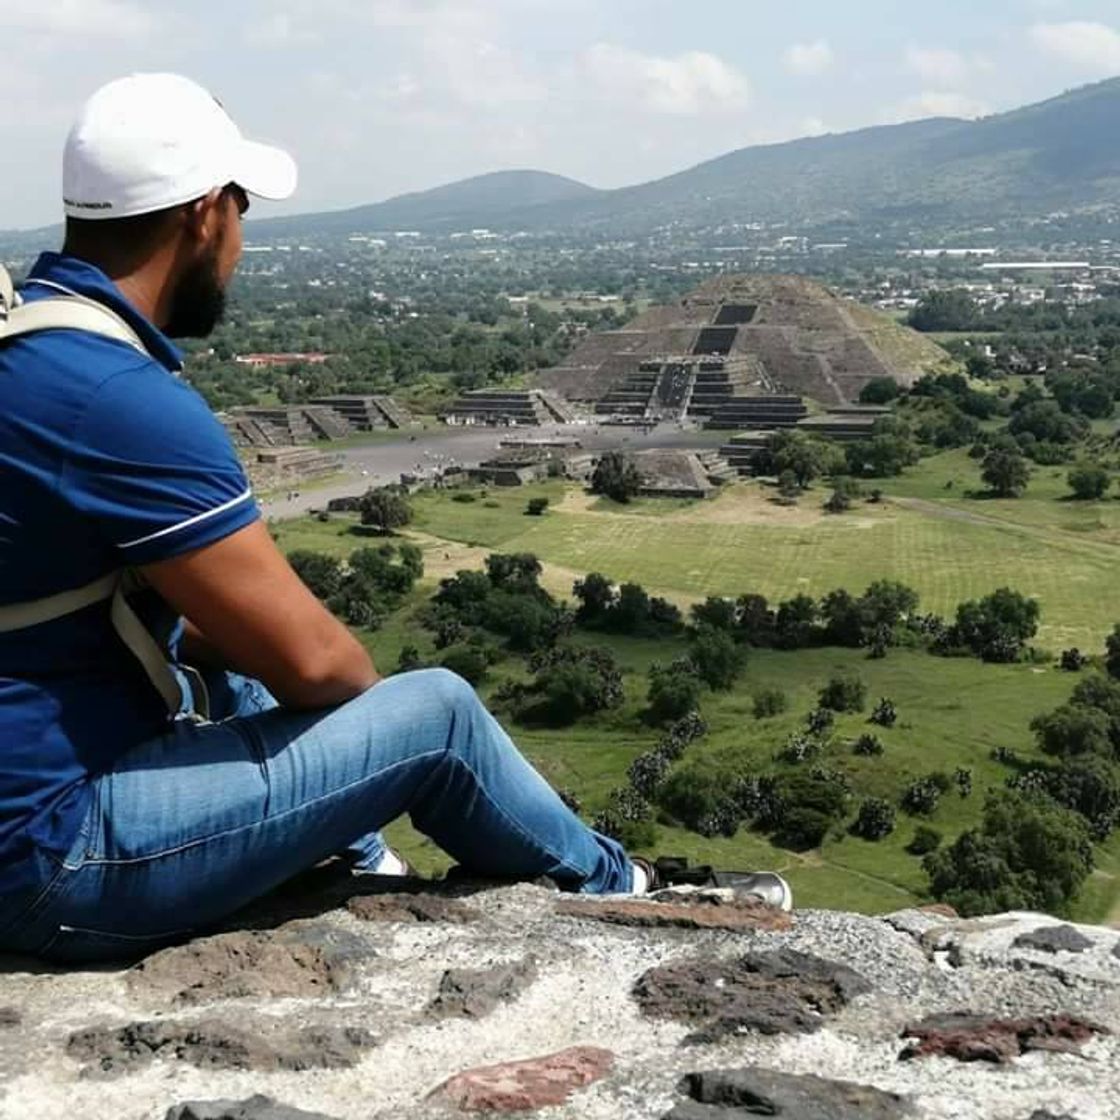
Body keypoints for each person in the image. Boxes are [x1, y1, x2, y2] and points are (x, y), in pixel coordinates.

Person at [0, 74, 789, 964]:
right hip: (45, 862)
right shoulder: (115, 398)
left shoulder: (28, 347)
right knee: (436, 717)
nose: (241, 244)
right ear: (205, 214)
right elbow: (325, 670)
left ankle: (362, 868)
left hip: (32, 787)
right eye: (244, 211)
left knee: (237, 680)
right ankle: (629, 895)